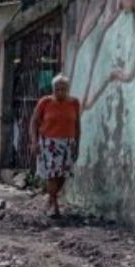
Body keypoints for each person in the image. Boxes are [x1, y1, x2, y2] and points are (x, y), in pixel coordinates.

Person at [31, 74, 81, 218]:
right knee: (52, 175)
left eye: (63, 89)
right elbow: (34, 122)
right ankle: (55, 206)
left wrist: (77, 145)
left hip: (67, 144)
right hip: (49, 144)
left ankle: (50, 199)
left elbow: (77, 125)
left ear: (68, 89)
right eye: (57, 89)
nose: (60, 92)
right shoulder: (45, 102)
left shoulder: (74, 103)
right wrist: (34, 142)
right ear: (53, 89)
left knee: (62, 176)